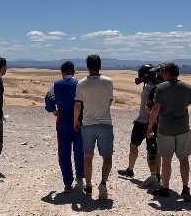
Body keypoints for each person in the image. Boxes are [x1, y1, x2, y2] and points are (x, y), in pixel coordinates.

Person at [146, 63, 191, 202]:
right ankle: (185, 188)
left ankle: (165, 188)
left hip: (165, 129)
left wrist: (149, 127)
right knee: (184, 160)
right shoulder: (187, 87)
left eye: (163, 72)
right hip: (183, 128)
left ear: (167, 73)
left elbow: (155, 110)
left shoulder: (161, 88)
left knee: (166, 160)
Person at [73, 55, 114, 200]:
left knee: (87, 157)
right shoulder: (108, 82)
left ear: (87, 66)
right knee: (107, 157)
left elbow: (77, 105)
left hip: (87, 124)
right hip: (105, 124)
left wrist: (75, 120)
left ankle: (89, 185)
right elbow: (109, 102)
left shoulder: (81, 83)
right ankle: (103, 184)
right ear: (100, 65)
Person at [118, 63, 159, 189]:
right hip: (142, 122)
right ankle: (131, 170)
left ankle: (154, 176)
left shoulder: (153, 89)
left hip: (146, 123)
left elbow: (150, 108)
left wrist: (150, 122)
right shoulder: (152, 87)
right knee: (138, 147)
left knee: (150, 150)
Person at [45, 61, 84, 192]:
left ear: (62, 72)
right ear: (74, 72)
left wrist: (53, 110)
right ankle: (80, 179)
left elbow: (48, 99)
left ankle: (67, 183)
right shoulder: (80, 84)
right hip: (79, 122)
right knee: (79, 151)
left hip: (62, 121)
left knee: (64, 152)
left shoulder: (56, 85)